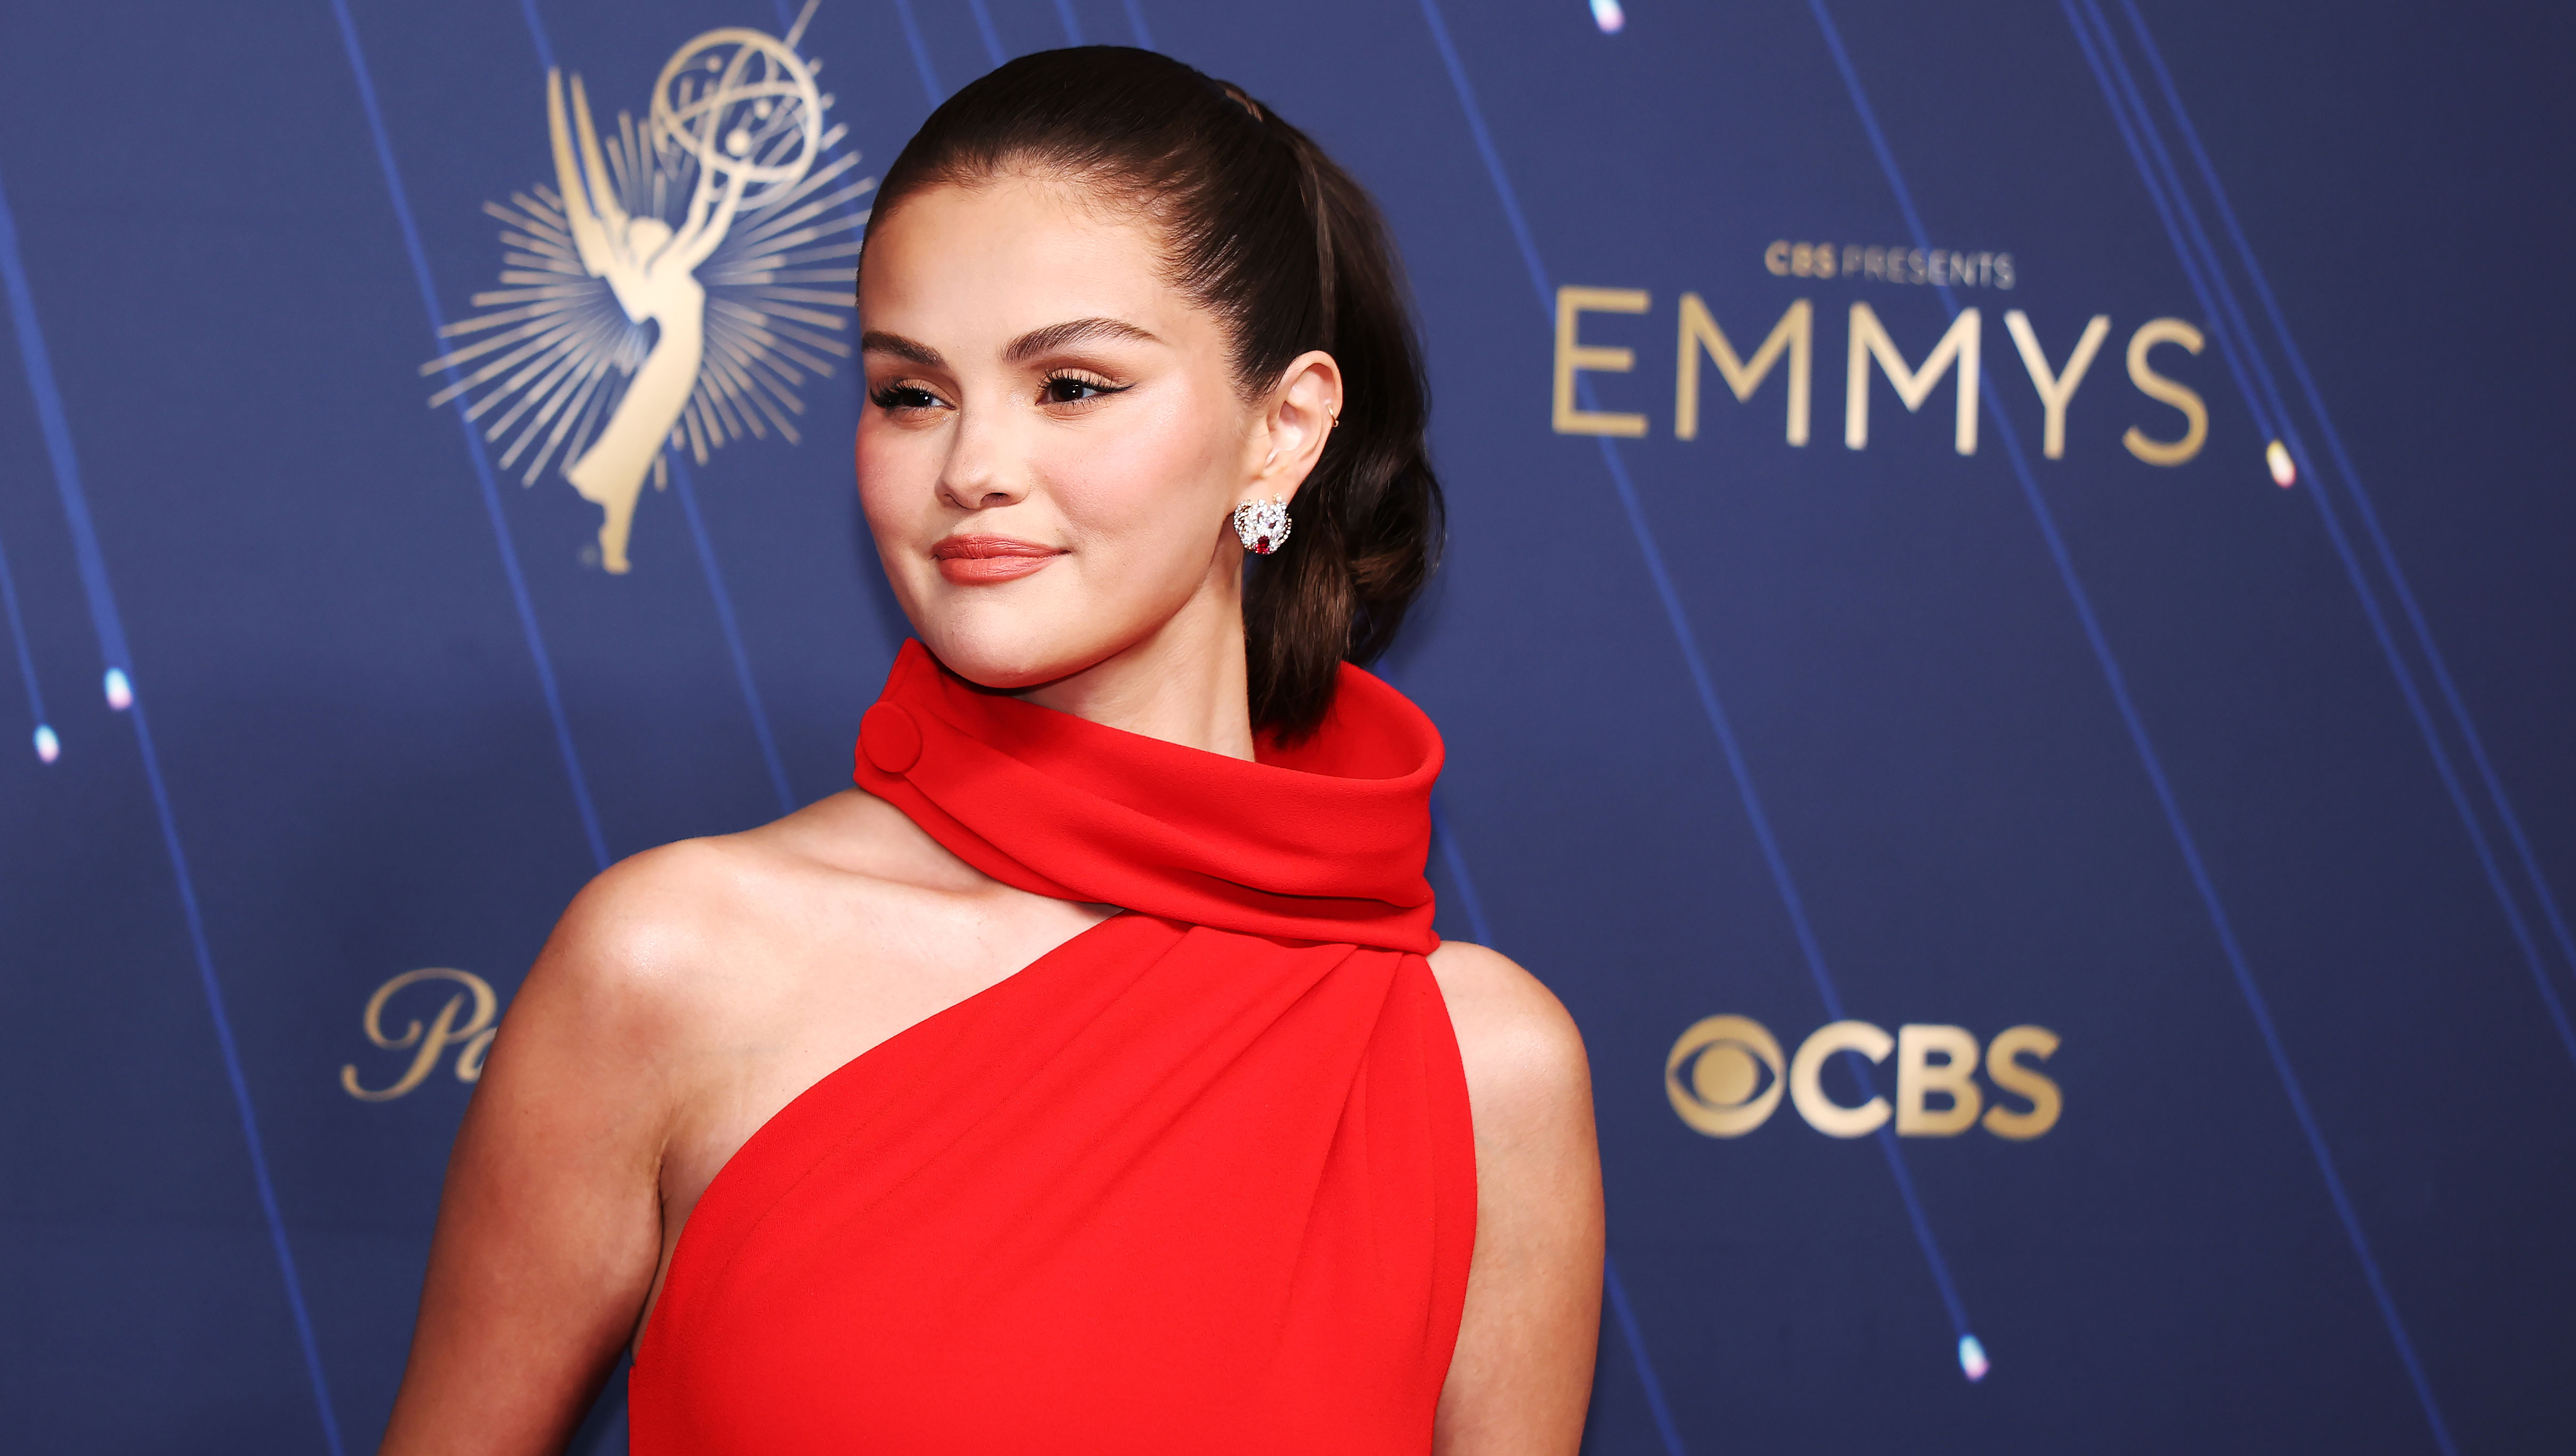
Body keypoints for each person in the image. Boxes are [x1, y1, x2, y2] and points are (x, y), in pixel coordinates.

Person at [379, 46, 1602, 1455]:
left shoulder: (1484, 1067)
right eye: (912, 392)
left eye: (1073, 385)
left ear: (1284, 428)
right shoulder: (672, 961)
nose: (971, 469)